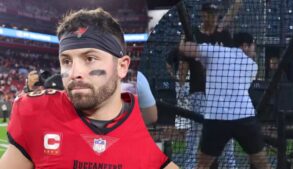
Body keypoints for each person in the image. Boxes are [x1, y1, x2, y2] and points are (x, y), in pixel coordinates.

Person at [0, 8, 178, 169]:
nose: (74, 72)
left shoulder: (142, 128)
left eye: (90, 58)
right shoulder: (37, 113)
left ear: (122, 66)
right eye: (67, 61)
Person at [179, 32, 271, 169]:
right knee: (261, 162)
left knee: (203, 165)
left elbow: (185, 49)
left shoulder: (217, 51)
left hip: (217, 118)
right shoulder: (252, 66)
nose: (254, 50)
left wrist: (183, 39)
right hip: (244, 117)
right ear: (245, 46)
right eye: (253, 46)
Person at [179, 2, 243, 168]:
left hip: (222, 94)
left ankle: (229, 166)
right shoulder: (194, 35)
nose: (213, 17)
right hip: (199, 91)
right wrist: (181, 85)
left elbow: (232, 61)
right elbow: (184, 62)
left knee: (226, 136)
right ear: (203, 15)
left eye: (215, 15)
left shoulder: (222, 35)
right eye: (209, 14)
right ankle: (189, 166)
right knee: (195, 132)